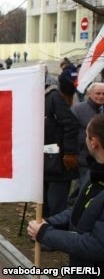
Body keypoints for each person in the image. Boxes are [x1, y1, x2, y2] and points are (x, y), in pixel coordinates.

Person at [28, 114, 104, 276]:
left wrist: (46, 234)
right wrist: (47, 222)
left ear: (94, 142)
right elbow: (79, 210)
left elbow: (97, 246)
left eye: (85, 135)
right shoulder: (95, 173)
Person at [44, 73, 79, 218]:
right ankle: (43, 231)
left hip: (58, 163)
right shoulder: (44, 97)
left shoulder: (54, 97)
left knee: (56, 204)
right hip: (46, 161)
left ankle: (54, 233)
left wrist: (69, 153)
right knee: (45, 203)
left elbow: (70, 124)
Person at [70, 83, 104, 202]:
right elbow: (71, 131)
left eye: (103, 94)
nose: (101, 96)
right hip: (84, 156)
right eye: (98, 93)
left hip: (100, 157)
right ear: (90, 94)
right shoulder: (78, 109)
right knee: (84, 184)